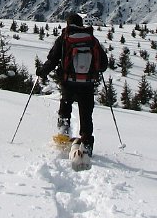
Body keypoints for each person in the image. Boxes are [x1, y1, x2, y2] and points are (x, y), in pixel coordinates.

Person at [37, 12, 109, 156]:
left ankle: (63, 136)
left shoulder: (64, 39)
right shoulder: (92, 39)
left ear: (68, 24)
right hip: (87, 84)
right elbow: (103, 64)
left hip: (68, 82)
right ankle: (87, 143)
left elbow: (52, 60)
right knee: (86, 113)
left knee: (65, 108)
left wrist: (41, 71)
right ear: (81, 24)